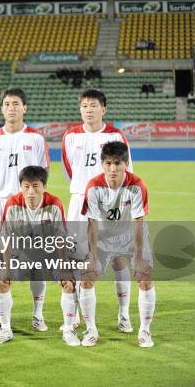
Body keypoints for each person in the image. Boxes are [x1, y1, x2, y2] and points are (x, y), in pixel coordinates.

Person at [62, 89, 134, 333]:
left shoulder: (116, 135)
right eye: (84, 106)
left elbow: (128, 173)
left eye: (93, 105)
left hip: (109, 202)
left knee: (118, 259)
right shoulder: (70, 137)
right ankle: (74, 316)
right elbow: (69, 171)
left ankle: (124, 314)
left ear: (104, 109)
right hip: (79, 201)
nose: (88, 110)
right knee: (76, 260)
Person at [0, 87, 50, 333]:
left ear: (25, 108)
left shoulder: (36, 139)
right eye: (7, 103)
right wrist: (5, 193)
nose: (11, 108)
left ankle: (37, 314)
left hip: (29, 205)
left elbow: (43, 174)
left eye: (16, 103)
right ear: (2, 108)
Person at [79, 141, 155, 348]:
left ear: (126, 164)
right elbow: (92, 223)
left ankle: (145, 331)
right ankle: (90, 330)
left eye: (118, 164)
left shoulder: (137, 185)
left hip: (131, 235)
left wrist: (139, 257)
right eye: (109, 163)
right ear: (102, 164)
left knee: (145, 278)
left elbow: (139, 222)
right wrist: (92, 256)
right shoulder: (94, 187)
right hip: (103, 237)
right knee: (86, 278)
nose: (113, 169)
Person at [0, 166, 79, 346]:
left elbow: (61, 239)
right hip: (21, 252)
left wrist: (64, 268)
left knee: (69, 284)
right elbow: (6, 239)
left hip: (49, 252)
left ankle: (69, 330)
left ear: (44, 186)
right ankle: (5, 329)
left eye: (35, 186)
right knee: (1, 282)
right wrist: (6, 268)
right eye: (26, 187)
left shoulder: (54, 204)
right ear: (21, 187)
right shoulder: (12, 204)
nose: (31, 192)